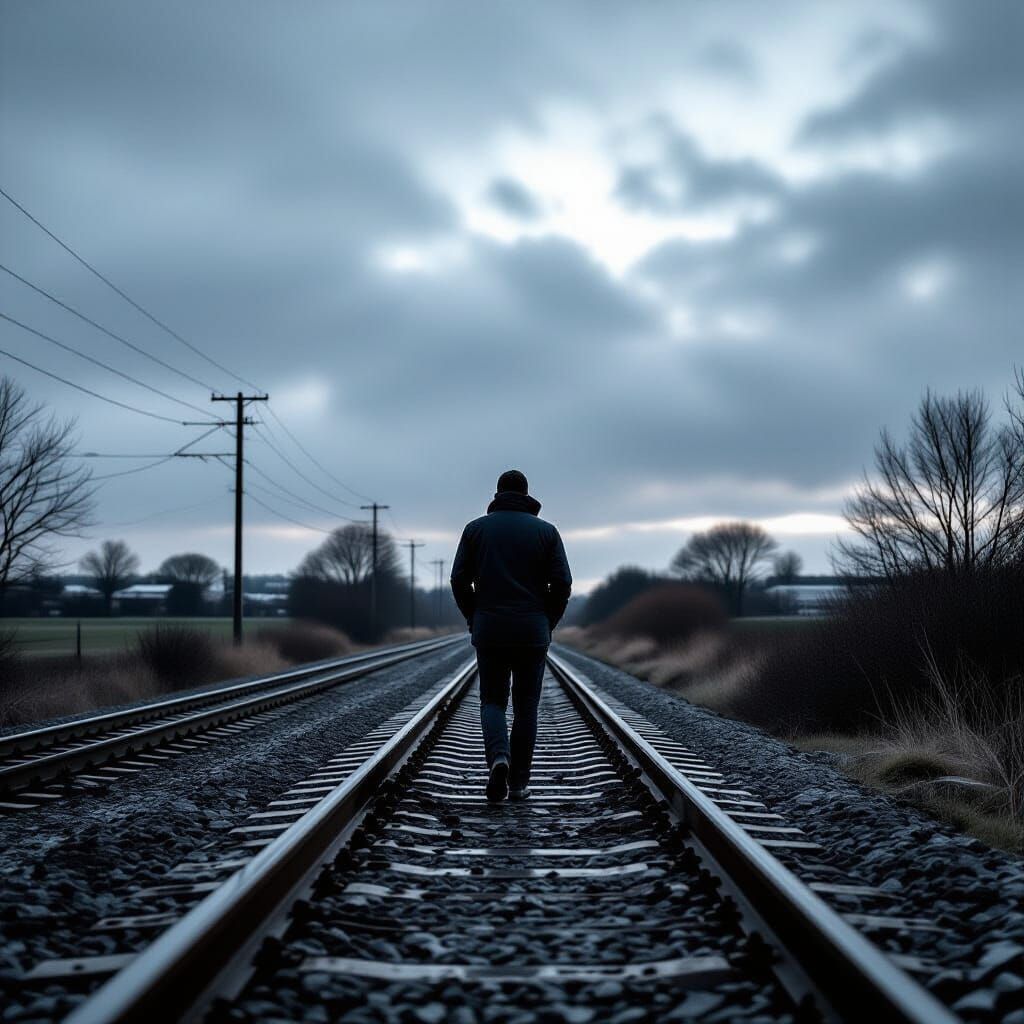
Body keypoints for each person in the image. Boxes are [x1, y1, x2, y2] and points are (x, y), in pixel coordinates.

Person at [450, 470, 572, 802]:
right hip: (532, 630)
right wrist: (548, 620)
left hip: (490, 629)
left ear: (497, 493)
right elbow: (562, 584)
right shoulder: (547, 532)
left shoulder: (475, 530)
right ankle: (518, 783)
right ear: (527, 494)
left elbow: (458, 580)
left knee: (492, 701)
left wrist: (473, 615)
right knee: (527, 705)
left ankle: (499, 758)